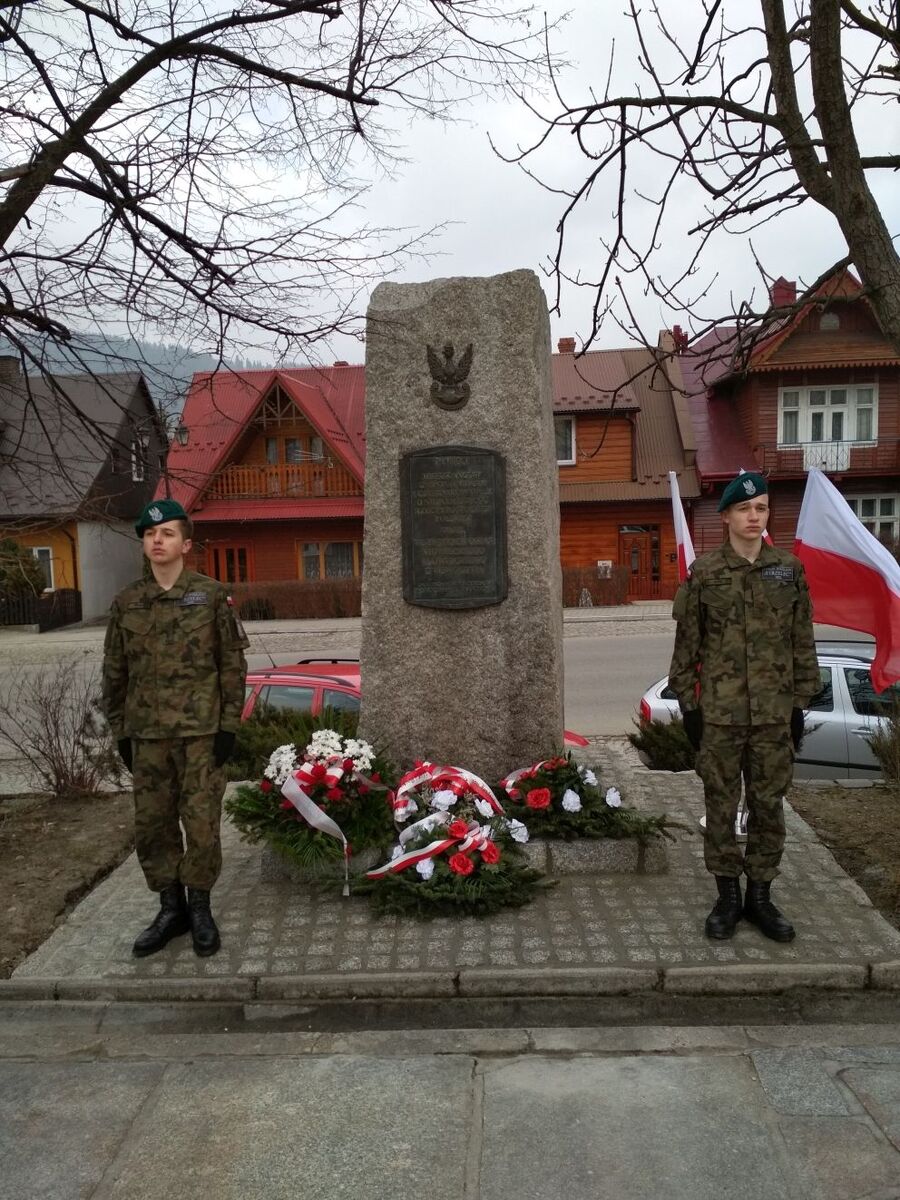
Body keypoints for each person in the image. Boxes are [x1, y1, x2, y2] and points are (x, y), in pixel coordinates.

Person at [668, 471, 819, 942]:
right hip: (721, 716)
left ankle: (761, 896)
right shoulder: (707, 573)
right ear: (728, 516)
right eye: (745, 510)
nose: (755, 517)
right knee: (721, 805)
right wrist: (690, 709)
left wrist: (799, 704)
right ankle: (728, 896)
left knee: (768, 806)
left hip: (774, 716)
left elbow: (802, 641)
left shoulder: (788, 571)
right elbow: (687, 644)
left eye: (762, 509)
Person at [102, 499, 249, 958]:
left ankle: (200, 907)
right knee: (153, 826)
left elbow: (231, 666)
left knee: (201, 825)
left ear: (186, 543)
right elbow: (114, 672)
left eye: (166, 533)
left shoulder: (210, 596)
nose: (157, 541)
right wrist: (121, 732)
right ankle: (171, 910)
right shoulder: (127, 602)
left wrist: (228, 727)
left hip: (202, 735)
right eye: (150, 535)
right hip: (146, 737)